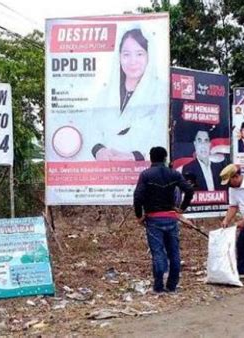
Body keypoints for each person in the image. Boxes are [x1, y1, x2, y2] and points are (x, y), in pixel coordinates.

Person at [91, 28, 168, 162]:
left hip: (144, 175)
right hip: (105, 175)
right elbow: (91, 129)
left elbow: (160, 138)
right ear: (119, 56)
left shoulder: (160, 92)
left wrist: (133, 157)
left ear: (149, 56)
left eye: (139, 54)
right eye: (126, 54)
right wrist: (99, 149)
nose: (133, 61)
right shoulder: (105, 95)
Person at [134, 147, 194, 293]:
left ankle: (159, 287)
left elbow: (138, 197)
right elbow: (189, 190)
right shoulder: (173, 173)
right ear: (165, 158)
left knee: (158, 253)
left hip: (153, 219)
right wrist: (182, 208)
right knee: (174, 252)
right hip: (171, 218)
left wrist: (139, 215)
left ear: (151, 158)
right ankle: (172, 286)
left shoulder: (146, 175)